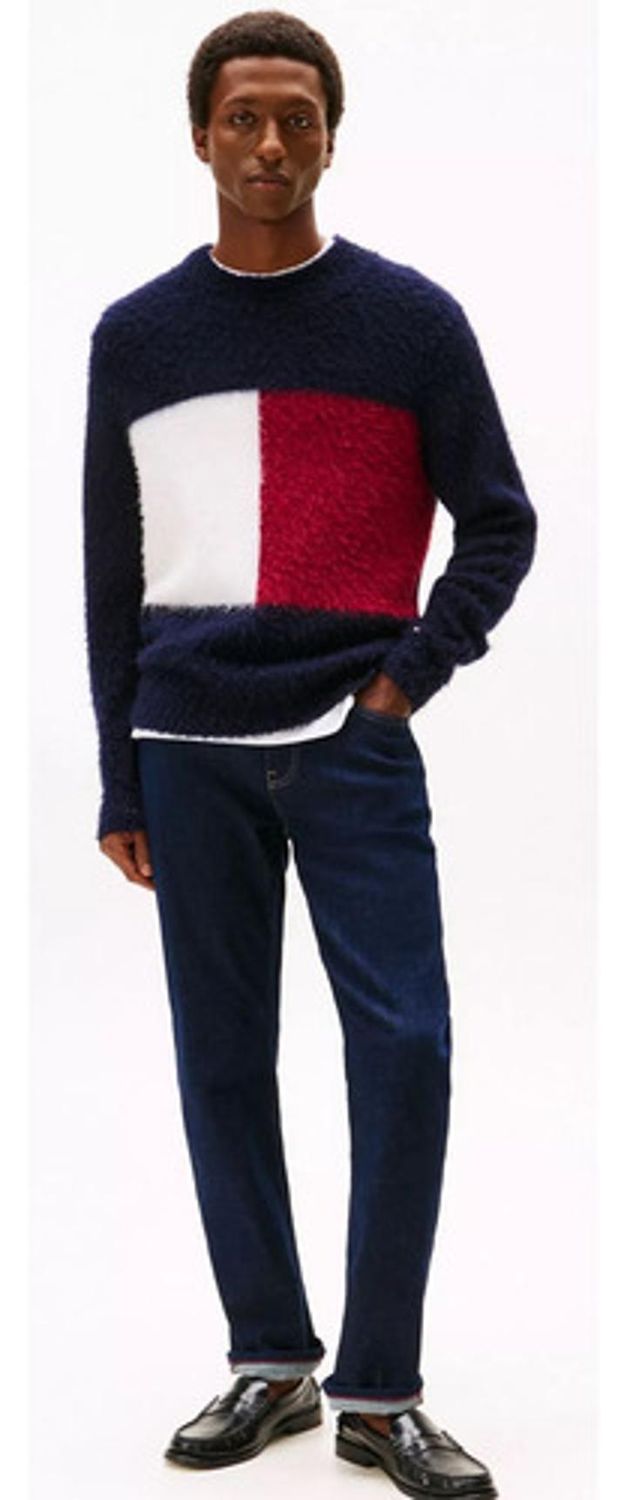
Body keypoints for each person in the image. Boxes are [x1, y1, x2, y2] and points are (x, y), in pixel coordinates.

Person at [81, 10, 537, 1496]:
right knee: (222, 1057)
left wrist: (402, 684)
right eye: (243, 117)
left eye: (296, 117)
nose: (269, 142)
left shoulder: (411, 323)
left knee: (405, 1047)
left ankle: (382, 1393)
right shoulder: (137, 338)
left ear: (332, 136)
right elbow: (112, 574)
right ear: (200, 136)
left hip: (351, 740)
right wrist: (120, 773)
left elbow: (501, 523)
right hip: (185, 744)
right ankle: (270, 1361)